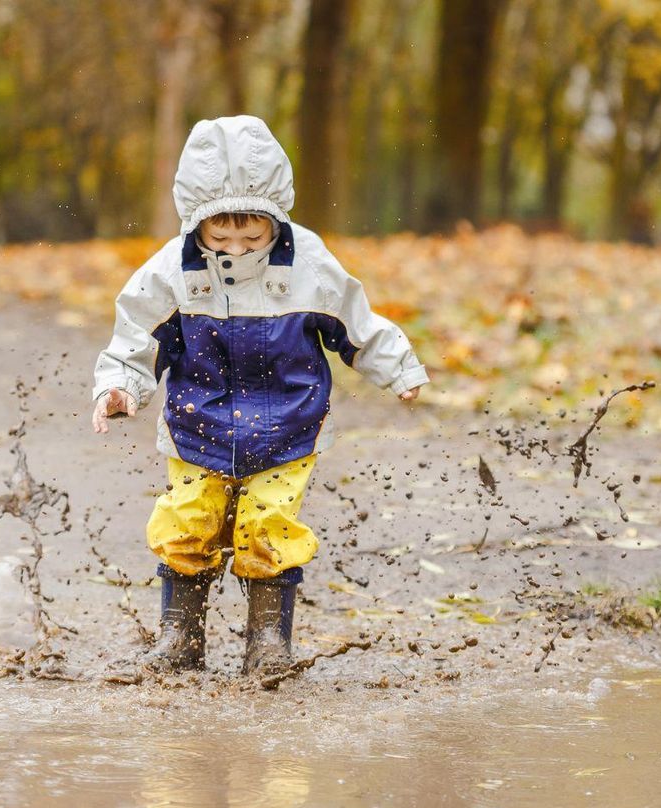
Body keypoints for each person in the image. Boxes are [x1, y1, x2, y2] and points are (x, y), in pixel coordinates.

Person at [92, 115, 428, 678]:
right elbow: (136, 338)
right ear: (195, 225)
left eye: (254, 238)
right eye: (220, 238)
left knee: (268, 529)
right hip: (196, 425)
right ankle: (181, 636)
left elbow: (354, 321)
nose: (238, 249)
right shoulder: (172, 271)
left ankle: (269, 640)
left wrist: (397, 368)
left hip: (287, 427)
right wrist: (120, 388)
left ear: (277, 219)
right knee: (186, 523)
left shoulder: (309, 264)